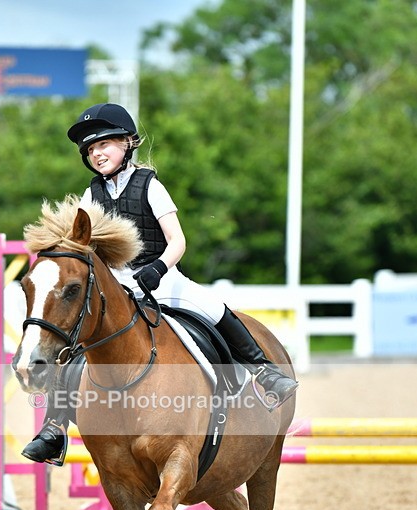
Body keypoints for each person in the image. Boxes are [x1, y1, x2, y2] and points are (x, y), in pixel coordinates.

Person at [22, 103, 298, 464]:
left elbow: (178, 240)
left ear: (127, 142)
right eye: (90, 150)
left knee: (214, 309)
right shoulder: (92, 194)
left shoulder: (149, 185)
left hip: (162, 278)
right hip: (115, 287)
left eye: (104, 145)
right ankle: (55, 428)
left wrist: (158, 267)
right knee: (74, 341)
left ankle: (265, 372)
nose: (96, 154)